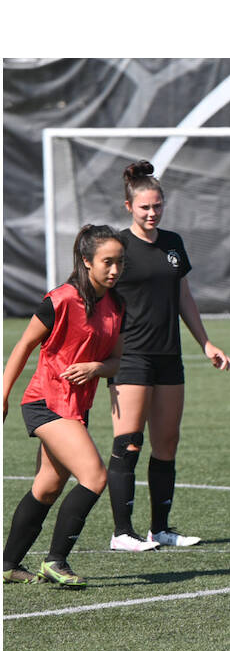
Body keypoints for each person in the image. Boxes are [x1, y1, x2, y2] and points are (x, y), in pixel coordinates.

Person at [106, 160, 230, 552]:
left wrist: (205, 342)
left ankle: (159, 529)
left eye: (157, 205)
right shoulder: (118, 247)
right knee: (128, 442)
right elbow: (98, 300)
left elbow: (183, 296)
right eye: (144, 207)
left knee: (167, 444)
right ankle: (122, 533)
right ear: (129, 206)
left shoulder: (173, 243)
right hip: (130, 357)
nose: (152, 212)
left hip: (168, 355)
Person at [2, 225, 126, 586]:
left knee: (47, 487)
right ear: (87, 261)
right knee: (95, 476)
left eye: (120, 262)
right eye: (107, 262)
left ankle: (7, 565)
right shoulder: (61, 299)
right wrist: (3, 394)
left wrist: (96, 368)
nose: (115, 270)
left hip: (76, 407)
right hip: (46, 400)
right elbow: (24, 346)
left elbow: (117, 361)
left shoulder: (117, 305)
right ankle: (56, 561)